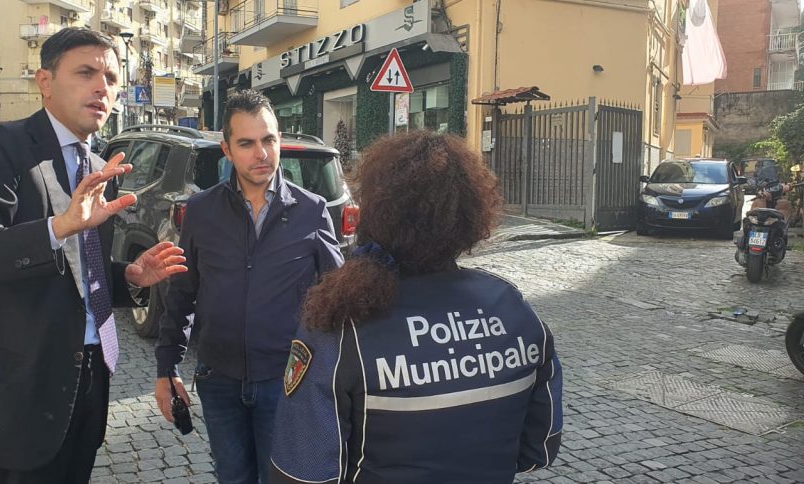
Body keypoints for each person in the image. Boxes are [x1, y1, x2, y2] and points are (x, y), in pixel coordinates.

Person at [0, 28, 187, 484]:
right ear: (45, 82)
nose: (102, 87)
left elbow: (76, 273)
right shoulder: (0, 147)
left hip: (87, 384)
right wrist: (57, 226)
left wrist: (129, 276)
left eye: (111, 78)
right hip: (16, 396)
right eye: (86, 73)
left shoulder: (97, 166)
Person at [269, 131, 564, 484]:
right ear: (471, 214)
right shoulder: (513, 307)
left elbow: (301, 472)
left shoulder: (339, 324)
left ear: (377, 213)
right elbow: (538, 449)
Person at [154, 89, 344, 484]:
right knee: (232, 478)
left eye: (269, 140)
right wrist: (166, 368)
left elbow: (337, 299)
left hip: (285, 383)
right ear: (227, 149)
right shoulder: (201, 212)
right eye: (247, 143)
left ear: (279, 140)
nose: (262, 153)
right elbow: (182, 293)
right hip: (218, 380)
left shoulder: (312, 211)